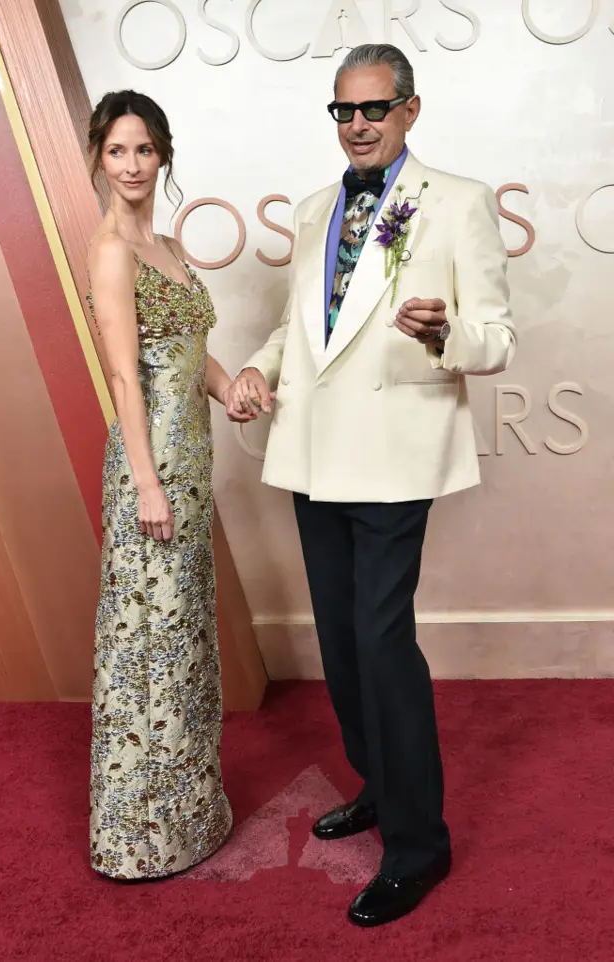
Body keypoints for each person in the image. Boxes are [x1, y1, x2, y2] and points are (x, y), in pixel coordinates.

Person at [226, 45, 515, 926]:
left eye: (374, 110)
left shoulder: (458, 202)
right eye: (343, 111)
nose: (357, 125)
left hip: (393, 458)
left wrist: (445, 332)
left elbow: (497, 336)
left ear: (411, 111)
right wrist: (253, 369)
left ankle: (420, 845)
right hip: (314, 454)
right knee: (343, 648)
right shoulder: (315, 210)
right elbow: (297, 327)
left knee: (384, 645)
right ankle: (381, 787)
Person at [86, 90, 233, 880]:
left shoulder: (169, 246)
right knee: (148, 644)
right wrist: (146, 483)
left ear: (163, 154)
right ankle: (138, 842)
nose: (133, 165)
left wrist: (231, 388)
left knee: (181, 645)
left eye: (144, 150)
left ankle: (191, 820)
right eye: (117, 151)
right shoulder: (111, 250)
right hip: (153, 473)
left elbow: (186, 351)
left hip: (193, 469)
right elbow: (123, 374)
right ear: (99, 160)